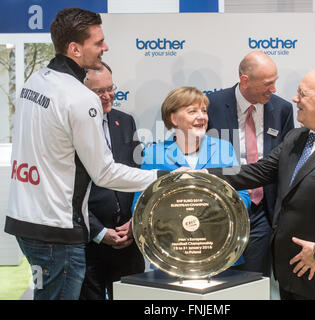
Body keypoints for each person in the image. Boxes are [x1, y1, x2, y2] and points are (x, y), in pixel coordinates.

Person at [4, 8, 162, 300]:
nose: (106, 47)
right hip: (57, 231)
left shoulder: (35, 81)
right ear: (75, 48)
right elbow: (105, 173)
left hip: (25, 222)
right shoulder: (80, 98)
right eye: (98, 42)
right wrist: (163, 178)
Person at [206, 67, 315, 299]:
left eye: (302, 94)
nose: (295, 99)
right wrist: (201, 174)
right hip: (289, 274)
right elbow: (258, 172)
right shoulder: (296, 138)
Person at [131, 86, 251, 268]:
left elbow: (242, 199)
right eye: (192, 111)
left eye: (204, 110)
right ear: (173, 118)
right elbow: (140, 205)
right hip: (172, 256)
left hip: (220, 252)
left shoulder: (224, 149)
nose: (201, 117)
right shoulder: (153, 154)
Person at [207, 51, 294, 277]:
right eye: (268, 83)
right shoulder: (211, 105)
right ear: (245, 80)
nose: (274, 89)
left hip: (262, 211)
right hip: (220, 209)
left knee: (254, 280)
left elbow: (285, 162)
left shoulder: (282, 109)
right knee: (219, 279)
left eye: (275, 81)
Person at [78, 62, 144, 300]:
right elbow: (68, 190)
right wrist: (98, 231)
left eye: (110, 88)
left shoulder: (125, 121)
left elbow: (137, 174)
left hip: (129, 240)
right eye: (99, 91)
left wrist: (137, 222)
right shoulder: (72, 127)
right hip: (89, 244)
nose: (107, 96)